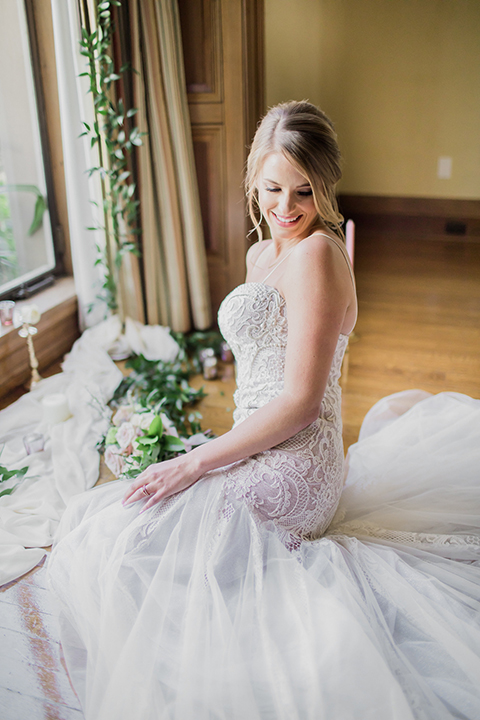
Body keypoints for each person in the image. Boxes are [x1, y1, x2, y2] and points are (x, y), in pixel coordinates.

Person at [49, 101, 480, 720]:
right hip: (257, 441)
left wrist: (196, 466)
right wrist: (211, 453)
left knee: (141, 538)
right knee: (124, 527)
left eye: (303, 191)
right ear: (253, 179)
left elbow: (301, 402)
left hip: (298, 466)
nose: (285, 207)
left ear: (326, 186)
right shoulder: (260, 257)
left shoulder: (319, 257)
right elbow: (260, 372)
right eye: (272, 187)